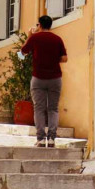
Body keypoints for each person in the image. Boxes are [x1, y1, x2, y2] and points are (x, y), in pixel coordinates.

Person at [20, 15, 67, 147]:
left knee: (39, 109)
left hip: (38, 78)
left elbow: (21, 54)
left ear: (39, 25)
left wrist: (29, 36)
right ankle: (51, 139)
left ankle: (40, 139)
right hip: (55, 79)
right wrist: (52, 59)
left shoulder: (35, 38)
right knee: (53, 109)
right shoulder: (57, 39)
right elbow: (64, 58)